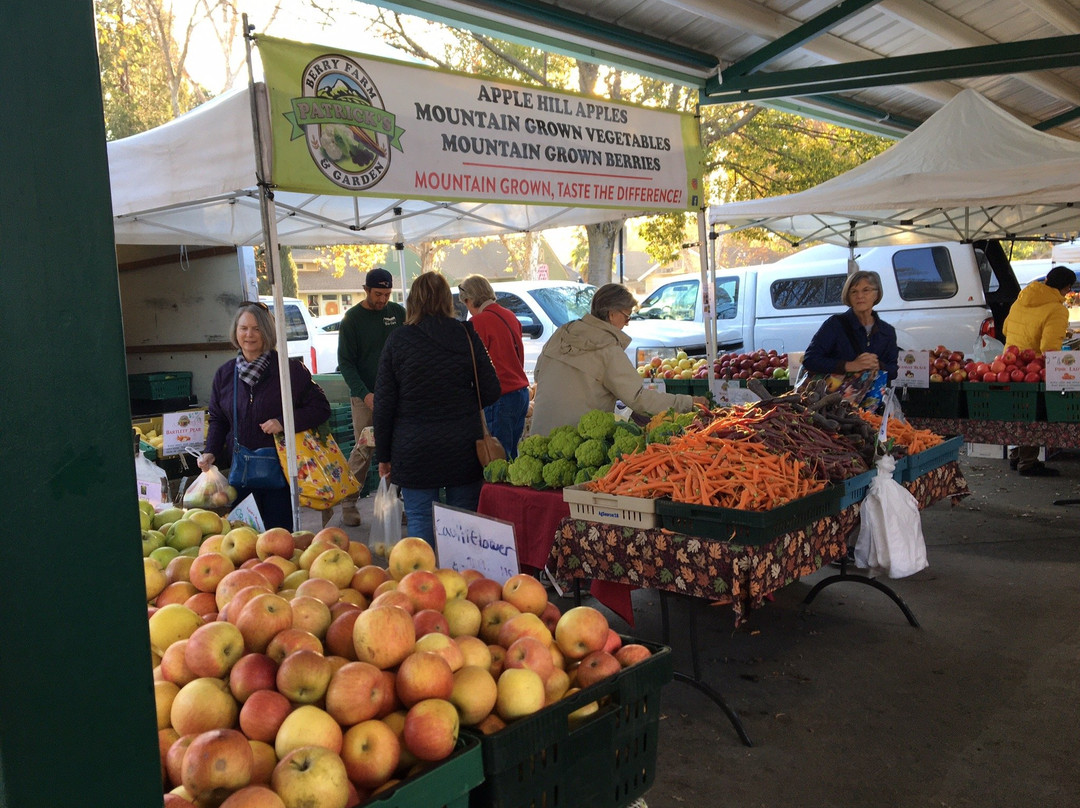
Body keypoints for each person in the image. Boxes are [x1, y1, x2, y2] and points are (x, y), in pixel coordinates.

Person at [373, 272, 501, 545]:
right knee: (463, 519)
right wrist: (460, 401)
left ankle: (424, 581)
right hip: (463, 445)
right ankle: (462, 581)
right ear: (447, 300)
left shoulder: (398, 340)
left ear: (412, 301)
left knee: (420, 518)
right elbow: (491, 390)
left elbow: (383, 405)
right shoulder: (466, 335)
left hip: (414, 447)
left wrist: (383, 456)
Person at [199, 300, 331, 530]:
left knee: (278, 540)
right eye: (244, 328)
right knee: (243, 539)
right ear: (236, 332)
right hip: (240, 473)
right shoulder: (225, 374)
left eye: (257, 328)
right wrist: (210, 451)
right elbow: (219, 418)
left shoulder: (289, 371)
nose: (249, 334)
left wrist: (284, 422)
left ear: (267, 332)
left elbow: (320, 408)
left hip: (280, 473)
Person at [529, 283, 707, 436]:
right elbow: (639, 398)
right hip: (577, 438)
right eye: (627, 316)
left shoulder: (562, 332)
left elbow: (538, 374)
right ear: (612, 313)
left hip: (539, 433)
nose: (627, 323)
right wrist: (688, 403)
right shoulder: (607, 348)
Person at [336, 268, 406, 525]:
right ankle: (349, 502)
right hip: (365, 396)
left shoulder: (397, 313)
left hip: (397, 396)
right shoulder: (352, 319)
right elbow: (345, 362)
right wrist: (365, 394)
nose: (382, 300)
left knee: (401, 448)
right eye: (378, 294)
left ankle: (400, 503)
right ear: (366, 290)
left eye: (387, 294)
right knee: (364, 449)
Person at [1002, 264, 1077, 476]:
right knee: (1033, 413)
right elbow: (1049, 349)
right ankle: (1028, 461)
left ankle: (1016, 455)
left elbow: (1006, 328)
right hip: (1032, 367)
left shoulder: (1023, 297)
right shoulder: (1056, 309)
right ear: (1067, 287)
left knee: (1018, 410)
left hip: (1009, 363)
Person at [458, 275, 530, 459]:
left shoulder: (477, 323)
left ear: (469, 299)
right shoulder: (510, 315)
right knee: (512, 455)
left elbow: (472, 365)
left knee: (497, 460)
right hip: (520, 392)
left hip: (499, 396)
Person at [802, 270, 899, 382]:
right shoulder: (835, 324)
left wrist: (879, 366)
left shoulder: (887, 331)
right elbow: (810, 360)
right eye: (853, 292)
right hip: (837, 397)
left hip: (873, 397)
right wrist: (849, 365)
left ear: (876, 294)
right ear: (848, 297)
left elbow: (893, 371)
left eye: (866, 290)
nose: (860, 296)